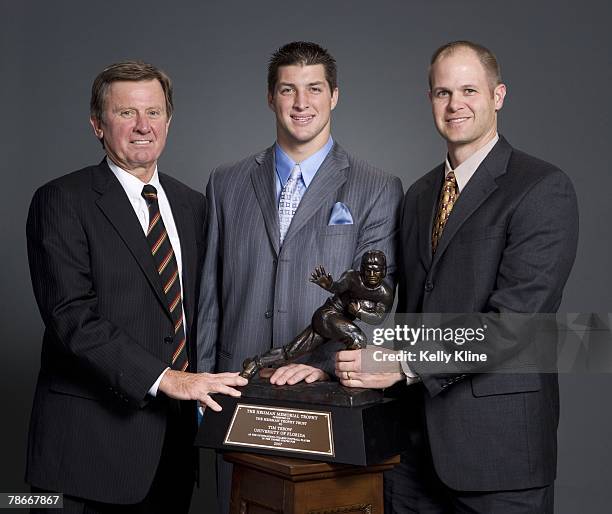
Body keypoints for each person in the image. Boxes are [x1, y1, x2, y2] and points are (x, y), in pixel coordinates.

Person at [335, 41, 579, 513]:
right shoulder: (420, 194)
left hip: (499, 454)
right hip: (411, 451)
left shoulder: (542, 188)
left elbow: (513, 325)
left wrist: (401, 365)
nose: (455, 104)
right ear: (430, 100)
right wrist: (335, 356)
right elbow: (403, 312)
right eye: (442, 92)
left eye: (469, 90)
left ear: (498, 95)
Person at [25, 61, 247, 514]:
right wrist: (168, 379)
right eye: (126, 113)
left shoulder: (194, 207)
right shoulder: (61, 201)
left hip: (173, 449)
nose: (143, 126)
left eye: (154, 112)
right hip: (86, 454)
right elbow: (72, 318)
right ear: (97, 125)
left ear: (168, 120)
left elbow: (203, 312)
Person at [198, 41, 403, 514]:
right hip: (236, 396)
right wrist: (204, 387)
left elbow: (374, 305)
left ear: (334, 96)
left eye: (314, 89)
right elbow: (209, 296)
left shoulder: (377, 187)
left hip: (325, 400)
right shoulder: (225, 182)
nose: (301, 103)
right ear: (270, 98)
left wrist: (330, 364)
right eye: (288, 89)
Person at [241, 250, 394, 378]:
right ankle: (350, 381)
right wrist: (329, 285)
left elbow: (378, 318)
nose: (372, 274)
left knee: (291, 351)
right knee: (358, 339)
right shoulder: (352, 277)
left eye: (377, 270)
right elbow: (338, 287)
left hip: (335, 325)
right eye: (368, 270)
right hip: (327, 315)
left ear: (384, 271)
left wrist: (359, 312)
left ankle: (255, 363)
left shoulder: (385, 293)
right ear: (361, 269)